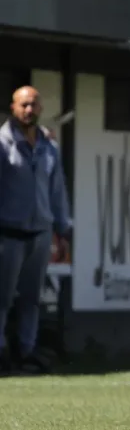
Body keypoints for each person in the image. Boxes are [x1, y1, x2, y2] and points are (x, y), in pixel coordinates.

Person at [0, 86, 71, 375]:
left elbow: (57, 191)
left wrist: (62, 230)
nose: (29, 110)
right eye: (23, 105)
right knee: (1, 299)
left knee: (31, 299)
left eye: (33, 105)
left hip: (41, 234)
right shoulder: (2, 144)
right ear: (13, 108)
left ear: (40, 108)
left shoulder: (48, 146)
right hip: (8, 234)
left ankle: (28, 353)